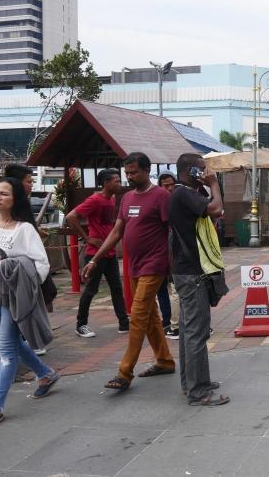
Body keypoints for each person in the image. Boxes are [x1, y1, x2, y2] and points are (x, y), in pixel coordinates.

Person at [82, 152, 175, 392]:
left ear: (146, 170)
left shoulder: (161, 196)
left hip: (154, 265)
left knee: (138, 315)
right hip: (133, 265)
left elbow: (172, 231)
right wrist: (95, 259)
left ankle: (124, 372)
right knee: (150, 315)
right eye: (127, 173)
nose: (130, 177)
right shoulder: (126, 199)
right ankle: (164, 361)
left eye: (134, 172)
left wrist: (171, 266)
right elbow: (116, 232)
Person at [0, 176, 60, 427]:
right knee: (10, 342)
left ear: (15, 199)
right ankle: (45, 374)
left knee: (6, 351)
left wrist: (7, 269)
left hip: (13, 297)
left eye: (3, 194)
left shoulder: (24, 230)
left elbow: (40, 266)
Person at [168, 153, 229, 406]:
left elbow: (211, 211)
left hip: (188, 270)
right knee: (196, 332)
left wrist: (207, 186)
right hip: (192, 272)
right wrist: (214, 184)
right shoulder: (182, 193)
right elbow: (216, 208)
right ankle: (199, 391)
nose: (206, 172)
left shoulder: (188, 194)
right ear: (191, 171)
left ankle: (190, 382)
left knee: (188, 331)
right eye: (202, 169)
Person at [66, 168, 129, 338]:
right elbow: (71, 216)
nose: (120, 183)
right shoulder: (95, 199)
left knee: (116, 288)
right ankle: (81, 325)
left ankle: (124, 323)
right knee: (91, 289)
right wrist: (86, 238)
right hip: (94, 253)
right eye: (116, 180)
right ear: (106, 183)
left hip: (109, 253)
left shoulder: (112, 198)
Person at [158, 169, 181, 340]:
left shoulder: (178, 199)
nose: (170, 188)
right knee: (161, 289)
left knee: (174, 288)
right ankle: (167, 320)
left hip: (174, 250)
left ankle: (174, 324)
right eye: (166, 186)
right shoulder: (158, 200)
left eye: (172, 185)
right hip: (159, 251)